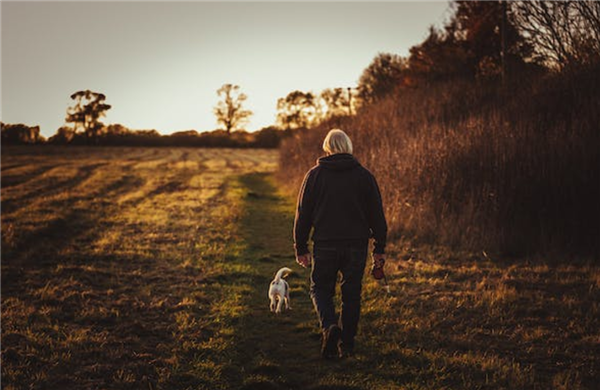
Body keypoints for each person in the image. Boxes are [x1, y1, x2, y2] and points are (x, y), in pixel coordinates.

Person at [294, 128, 387, 359]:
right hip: (356, 246)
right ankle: (347, 345)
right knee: (351, 294)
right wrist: (379, 249)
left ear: (327, 147)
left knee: (320, 289)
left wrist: (301, 247)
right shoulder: (364, 176)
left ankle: (329, 327)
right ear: (348, 146)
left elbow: (303, 214)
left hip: (325, 244)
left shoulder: (314, 175)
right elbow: (377, 216)